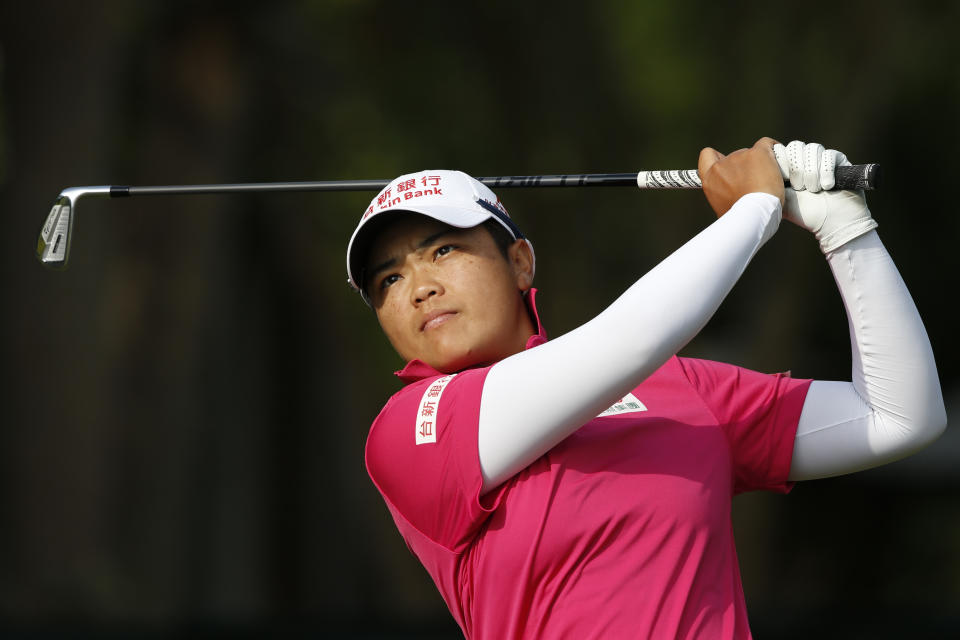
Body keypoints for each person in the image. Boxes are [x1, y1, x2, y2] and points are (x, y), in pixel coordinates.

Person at [344, 138, 946, 639]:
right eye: (389, 279)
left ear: (521, 263)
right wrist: (755, 209)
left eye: (444, 250)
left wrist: (844, 226)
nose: (418, 287)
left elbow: (900, 416)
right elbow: (625, 341)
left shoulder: (678, 387)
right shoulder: (409, 430)